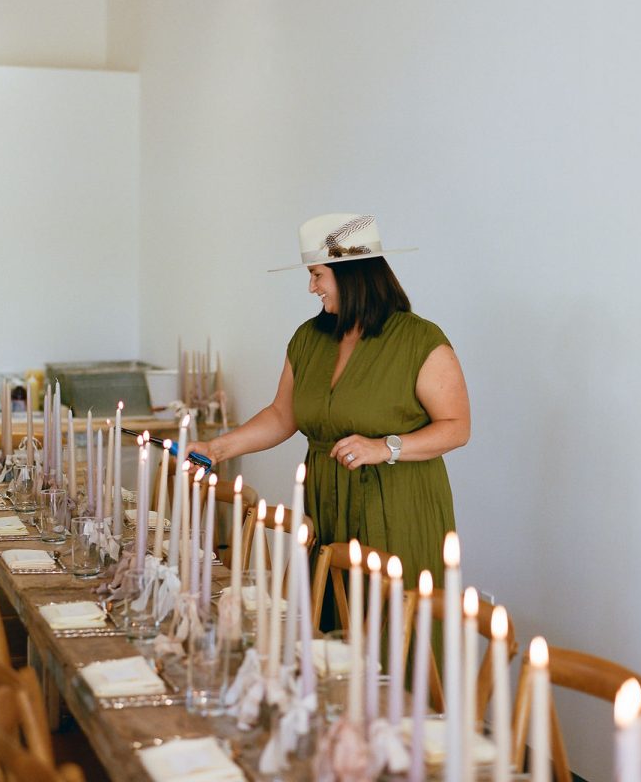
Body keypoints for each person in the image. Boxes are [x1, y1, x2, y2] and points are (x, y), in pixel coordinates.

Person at [187, 212, 471, 610]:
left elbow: (456, 428)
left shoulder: (419, 340)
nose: (311, 287)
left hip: (398, 504)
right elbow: (282, 415)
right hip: (325, 500)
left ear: (352, 274)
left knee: (391, 628)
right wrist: (217, 449)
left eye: (318, 275)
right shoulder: (309, 338)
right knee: (326, 623)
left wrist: (385, 447)